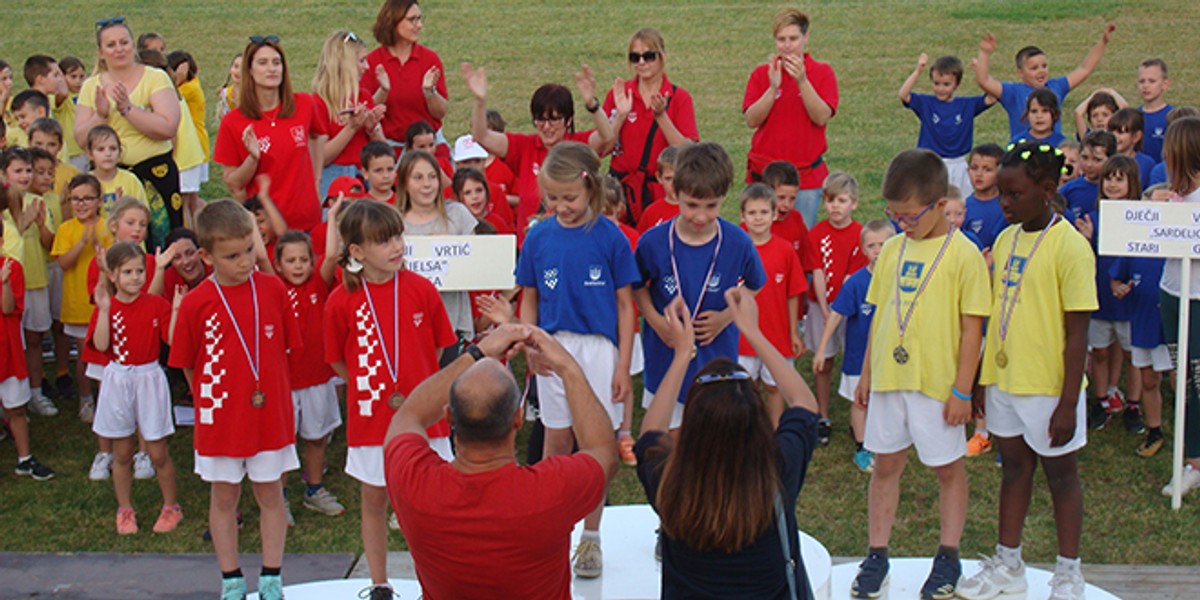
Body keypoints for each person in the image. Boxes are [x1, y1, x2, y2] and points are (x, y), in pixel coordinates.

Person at [384, 319, 617, 599]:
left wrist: (476, 354)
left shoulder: (414, 484)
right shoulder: (550, 492)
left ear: (448, 416)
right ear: (518, 419)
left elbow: (408, 415)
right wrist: (566, 366)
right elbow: (602, 450)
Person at [958, 141, 1097, 600]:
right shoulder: (1005, 238)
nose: (1004, 202)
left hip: (1049, 387)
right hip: (1004, 381)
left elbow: (1078, 333)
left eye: (1014, 195)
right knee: (1014, 470)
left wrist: (1068, 403)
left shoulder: (1071, 249)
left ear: (1047, 189)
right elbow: (997, 312)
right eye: (1001, 193)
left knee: (1062, 477)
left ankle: (1069, 573)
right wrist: (981, 377)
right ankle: (1009, 563)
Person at [851, 149, 989, 600]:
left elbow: (973, 330)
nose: (901, 224)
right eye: (894, 215)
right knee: (885, 464)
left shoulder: (964, 255)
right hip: (891, 378)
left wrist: (962, 390)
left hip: (937, 384)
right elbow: (881, 314)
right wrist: (867, 372)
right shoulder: (891, 248)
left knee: (947, 468)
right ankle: (877, 553)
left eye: (909, 216)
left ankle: (948, 555)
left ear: (938, 202)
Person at [637, 286, 818, 599]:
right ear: (758, 420)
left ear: (691, 425)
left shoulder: (669, 484)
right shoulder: (778, 471)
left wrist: (682, 355)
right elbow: (804, 403)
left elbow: (651, 432)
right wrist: (752, 331)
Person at [514, 142, 639, 578]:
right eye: (553, 198)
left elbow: (627, 305)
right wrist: (531, 345)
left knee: (597, 445)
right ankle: (552, 532)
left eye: (569, 197)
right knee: (556, 441)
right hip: (553, 349)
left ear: (590, 188)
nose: (561, 206)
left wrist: (623, 365)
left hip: (598, 350)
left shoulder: (610, 236)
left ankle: (591, 535)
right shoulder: (537, 237)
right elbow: (528, 297)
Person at [168, 200, 299, 600]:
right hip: (221, 416)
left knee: (270, 492)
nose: (244, 262)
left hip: (269, 414)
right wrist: (213, 399)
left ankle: (272, 575)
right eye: (232, 256)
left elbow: (290, 348)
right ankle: (231, 578)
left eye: (249, 250)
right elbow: (188, 365)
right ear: (206, 256)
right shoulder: (196, 302)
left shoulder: (274, 288)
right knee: (224, 495)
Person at [324, 199, 455, 599]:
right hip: (371, 419)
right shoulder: (341, 301)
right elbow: (337, 362)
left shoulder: (421, 289)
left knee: (431, 507)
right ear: (357, 252)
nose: (396, 246)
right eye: (384, 242)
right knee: (374, 501)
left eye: (397, 236)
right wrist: (375, 389)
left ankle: (437, 582)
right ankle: (379, 583)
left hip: (425, 420)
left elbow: (437, 351)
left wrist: (416, 394)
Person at [634, 142, 766, 429]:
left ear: (724, 199)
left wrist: (725, 317)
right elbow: (637, 286)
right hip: (665, 357)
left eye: (712, 206)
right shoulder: (653, 242)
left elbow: (755, 284)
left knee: (711, 439)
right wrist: (656, 321)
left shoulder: (737, 242)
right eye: (692, 204)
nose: (701, 216)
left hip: (715, 360)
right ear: (676, 193)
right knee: (668, 440)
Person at [462, 61, 617, 243]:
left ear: (568, 120)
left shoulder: (578, 145)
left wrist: (592, 105)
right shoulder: (523, 146)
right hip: (531, 244)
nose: (546, 127)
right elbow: (482, 136)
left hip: (575, 240)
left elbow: (607, 136)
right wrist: (480, 101)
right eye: (540, 120)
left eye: (554, 120)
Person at [87, 242, 181, 535]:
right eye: (127, 272)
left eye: (140, 270)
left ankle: (171, 506)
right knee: (123, 451)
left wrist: (176, 310)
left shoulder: (155, 304)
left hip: (148, 378)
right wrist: (103, 311)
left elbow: (172, 340)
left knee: (157, 451)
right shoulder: (108, 307)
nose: (136, 277)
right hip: (118, 379)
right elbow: (102, 346)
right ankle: (125, 508)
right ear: (113, 276)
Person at [73, 17, 182, 234]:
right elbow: (81, 138)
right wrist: (101, 116)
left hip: (154, 172)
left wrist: (127, 109)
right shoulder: (91, 86)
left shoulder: (155, 78)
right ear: (100, 52)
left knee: (162, 234)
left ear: (133, 45)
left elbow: (168, 127)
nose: (119, 49)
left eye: (124, 42)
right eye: (110, 45)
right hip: (110, 176)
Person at [213, 36, 326, 233]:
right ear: (249, 70)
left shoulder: (304, 104)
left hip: (307, 222)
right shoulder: (233, 122)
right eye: (263, 63)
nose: (272, 69)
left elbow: (317, 136)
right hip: (266, 228)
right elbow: (233, 183)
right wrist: (252, 159)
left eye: (277, 62)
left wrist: (316, 181)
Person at [743, 8, 838, 228]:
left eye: (793, 39)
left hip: (805, 180)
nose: (787, 45)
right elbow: (751, 120)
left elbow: (821, 116)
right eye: (781, 39)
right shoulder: (761, 74)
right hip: (764, 177)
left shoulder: (822, 72)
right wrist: (772, 88)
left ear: (806, 37)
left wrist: (802, 81)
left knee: (800, 238)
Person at [272, 231, 344, 518]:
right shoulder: (274, 287)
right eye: (291, 260)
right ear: (279, 265)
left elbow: (330, 255)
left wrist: (335, 214)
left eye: (304, 259)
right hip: (285, 382)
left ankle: (314, 490)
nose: (298, 266)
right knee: (284, 443)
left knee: (317, 437)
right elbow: (261, 257)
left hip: (317, 378)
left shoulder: (318, 284)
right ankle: (280, 497)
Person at [815, 219, 894, 473]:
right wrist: (822, 348)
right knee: (859, 402)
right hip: (859, 358)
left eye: (883, 244)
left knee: (886, 400)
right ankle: (861, 447)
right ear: (863, 250)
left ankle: (888, 441)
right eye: (872, 245)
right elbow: (836, 315)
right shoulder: (856, 283)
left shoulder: (901, 277)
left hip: (891, 357)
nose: (878, 250)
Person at [604, 27, 698, 221]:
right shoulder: (620, 94)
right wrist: (621, 116)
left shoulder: (679, 98)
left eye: (648, 56)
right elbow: (602, 148)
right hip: (622, 190)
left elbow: (688, 150)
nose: (641, 62)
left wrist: (661, 116)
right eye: (635, 57)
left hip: (661, 191)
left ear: (662, 56)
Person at [1154, 117, 1200, 498]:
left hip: (1198, 298)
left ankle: (1195, 461)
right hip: (1172, 291)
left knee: (1197, 379)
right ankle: (1192, 458)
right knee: (1181, 377)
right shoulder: (1173, 196)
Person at [1076, 156, 1139, 430]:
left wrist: (1131, 284)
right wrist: (1087, 240)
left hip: (1129, 299)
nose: (1113, 185)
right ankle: (1101, 400)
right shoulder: (1093, 218)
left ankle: (1134, 405)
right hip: (1100, 297)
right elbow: (1082, 260)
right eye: (1108, 179)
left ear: (1131, 183)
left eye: (1119, 179)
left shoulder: (1138, 218)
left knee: (1132, 355)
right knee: (1100, 352)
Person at [806, 172, 867, 445]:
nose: (835, 206)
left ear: (853, 203)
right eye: (830, 200)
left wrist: (839, 308)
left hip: (851, 308)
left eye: (841, 201)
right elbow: (817, 271)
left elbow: (851, 280)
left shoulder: (861, 234)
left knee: (856, 358)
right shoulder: (816, 233)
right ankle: (822, 414)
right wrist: (823, 306)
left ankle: (862, 414)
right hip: (822, 305)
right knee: (824, 361)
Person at [1108, 186, 1169, 457]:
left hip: (1171, 325)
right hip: (1143, 322)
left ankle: (1189, 435)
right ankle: (1154, 430)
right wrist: (1118, 288)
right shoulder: (1134, 245)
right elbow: (1116, 279)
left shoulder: (1179, 247)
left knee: (1184, 382)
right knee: (1149, 379)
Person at [737, 183, 806, 422]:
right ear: (742, 215)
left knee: (775, 386)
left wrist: (794, 332)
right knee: (746, 387)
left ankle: (776, 429)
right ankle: (750, 430)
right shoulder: (735, 249)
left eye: (764, 212)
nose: (758, 218)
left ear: (775, 214)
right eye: (752, 213)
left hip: (776, 334)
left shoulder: (785, 250)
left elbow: (793, 293)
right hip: (741, 337)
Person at [973, 24, 1115, 139]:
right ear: (1020, 72)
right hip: (1024, 158)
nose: (1041, 71)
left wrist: (1103, 42)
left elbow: (1085, 69)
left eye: (1044, 66)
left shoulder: (1056, 87)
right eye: (1034, 68)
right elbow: (984, 81)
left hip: (1053, 155)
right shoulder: (1013, 92)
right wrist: (984, 53)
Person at [1, 149, 60, 418]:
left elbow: (50, 244)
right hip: (7, 285)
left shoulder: (38, 202)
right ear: (4, 174)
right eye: (18, 171)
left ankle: (35, 392)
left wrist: (38, 223)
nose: (25, 176)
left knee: (34, 340)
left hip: (35, 280)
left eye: (29, 170)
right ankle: (10, 402)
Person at [51, 174, 114, 425]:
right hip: (78, 304)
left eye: (87, 199)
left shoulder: (108, 226)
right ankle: (85, 398)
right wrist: (81, 243)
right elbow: (65, 263)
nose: (81, 204)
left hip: (104, 304)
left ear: (99, 201)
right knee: (84, 355)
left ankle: (107, 398)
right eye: (76, 199)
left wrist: (97, 241)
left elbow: (113, 260)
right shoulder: (66, 229)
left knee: (107, 354)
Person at [397, 149, 476, 339]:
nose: (427, 184)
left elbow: (476, 265)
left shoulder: (458, 214)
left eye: (432, 177)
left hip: (451, 319)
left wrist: (452, 247)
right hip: (406, 319)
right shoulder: (394, 221)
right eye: (418, 178)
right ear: (405, 184)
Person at [0, 218, 56, 481]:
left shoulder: (13, 270)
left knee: (16, 408)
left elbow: (8, 308)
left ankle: (24, 458)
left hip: (8, 352)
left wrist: (4, 283)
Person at [899, 53, 994, 195]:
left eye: (946, 84)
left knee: (961, 204)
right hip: (931, 163)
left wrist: (981, 72)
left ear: (957, 84)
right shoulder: (926, 103)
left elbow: (993, 96)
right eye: (936, 83)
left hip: (958, 164)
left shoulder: (966, 105)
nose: (941, 88)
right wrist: (918, 71)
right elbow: (903, 94)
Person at [360, 0, 448, 147]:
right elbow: (365, 114)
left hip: (427, 147)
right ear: (393, 21)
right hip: (388, 147)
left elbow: (440, 112)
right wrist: (383, 91)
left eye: (419, 19)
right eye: (412, 20)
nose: (419, 25)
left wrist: (430, 92)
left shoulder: (429, 59)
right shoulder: (372, 62)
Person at [312, 30, 386, 199]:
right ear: (344, 64)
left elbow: (385, 153)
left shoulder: (364, 96)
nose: (367, 67)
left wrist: (372, 129)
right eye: (361, 61)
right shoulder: (319, 102)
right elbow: (321, 157)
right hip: (333, 178)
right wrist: (351, 128)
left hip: (365, 175)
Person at [85, 125, 148, 219]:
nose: (108, 154)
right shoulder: (85, 182)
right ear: (90, 154)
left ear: (120, 152)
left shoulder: (131, 180)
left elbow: (144, 214)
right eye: (101, 149)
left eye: (113, 148)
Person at [1059, 130, 1114, 218]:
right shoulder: (1069, 189)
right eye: (1085, 157)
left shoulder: (1116, 190)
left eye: (1097, 159)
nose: (1089, 164)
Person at [962, 143, 1006, 252]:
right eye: (974, 168)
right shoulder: (963, 207)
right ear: (968, 171)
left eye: (987, 169)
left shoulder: (1007, 205)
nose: (979, 174)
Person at [635, 145, 681, 233]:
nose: (675, 184)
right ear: (659, 177)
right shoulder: (651, 212)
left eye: (680, 178)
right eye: (669, 178)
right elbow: (641, 242)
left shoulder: (696, 209)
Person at [1107, 108, 1156, 191]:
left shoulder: (1147, 163)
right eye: (1111, 131)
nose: (1114, 136)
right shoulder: (1105, 159)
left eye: (1121, 132)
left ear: (1136, 136)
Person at [1137, 59, 1172, 163]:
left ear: (1165, 84)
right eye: (1141, 81)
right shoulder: (1134, 116)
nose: (1145, 86)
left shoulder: (1171, 116)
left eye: (1152, 81)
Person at [360, 140, 397, 205]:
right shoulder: (361, 207)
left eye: (390, 169)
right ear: (365, 173)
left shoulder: (405, 203)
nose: (386, 175)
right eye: (378, 170)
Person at [214, 54, 242, 124]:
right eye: (236, 66)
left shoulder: (254, 94)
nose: (238, 71)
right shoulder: (225, 93)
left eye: (243, 68)